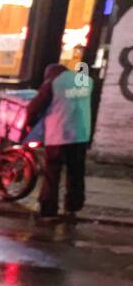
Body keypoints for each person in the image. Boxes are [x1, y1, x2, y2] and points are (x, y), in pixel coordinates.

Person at [25, 62, 92, 219]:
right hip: (80, 134)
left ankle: (48, 210)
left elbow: (35, 106)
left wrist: (29, 124)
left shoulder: (52, 83)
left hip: (59, 134)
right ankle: (73, 207)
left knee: (52, 171)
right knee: (76, 171)